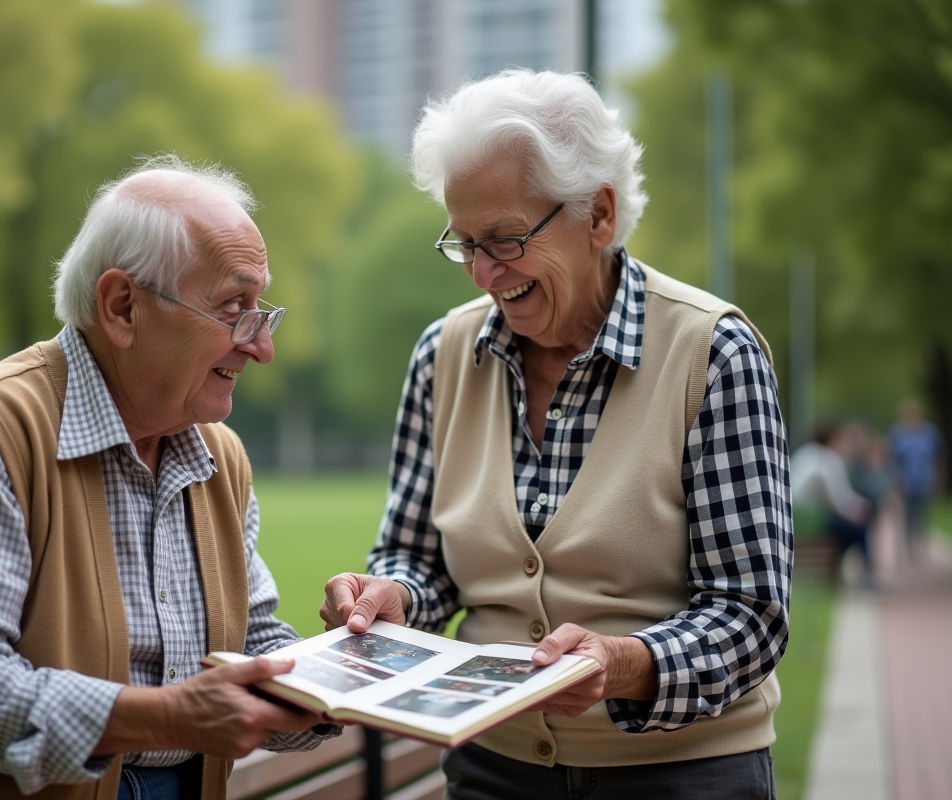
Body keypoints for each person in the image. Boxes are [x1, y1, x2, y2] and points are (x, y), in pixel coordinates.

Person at [320, 70, 790, 799]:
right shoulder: (441, 356)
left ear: (598, 214)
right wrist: (394, 596)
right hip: (492, 768)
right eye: (464, 243)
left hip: (681, 776)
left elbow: (750, 614)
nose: (482, 274)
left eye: (504, 240)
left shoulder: (714, 354)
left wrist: (623, 663)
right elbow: (417, 556)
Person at [0, 156, 333, 800]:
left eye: (261, 311)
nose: (261, 346)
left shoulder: (219, 456)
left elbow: (250, 642)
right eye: (234, 308)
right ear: (122, 307)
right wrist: (167, 717)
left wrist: (361, 668)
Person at [791, 424, 873, 583]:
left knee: (849, 528)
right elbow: (835, 500)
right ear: (831, 440)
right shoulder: (829, 458)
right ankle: (866, 574)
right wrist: (855, 512)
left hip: (796, 514)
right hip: (809, 519)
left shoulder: (809, 451)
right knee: (858, 529)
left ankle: (838, 572)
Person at [888, 398, 945, 559]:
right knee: (906, 515)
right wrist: (895, 481)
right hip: (904, 482)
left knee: (923, 515)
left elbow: (938, 458)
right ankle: (906, 547)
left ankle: (920, 546)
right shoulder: (896, 433)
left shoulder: (931, 433)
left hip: (924, 480)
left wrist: (938, 479)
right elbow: (890, 460)